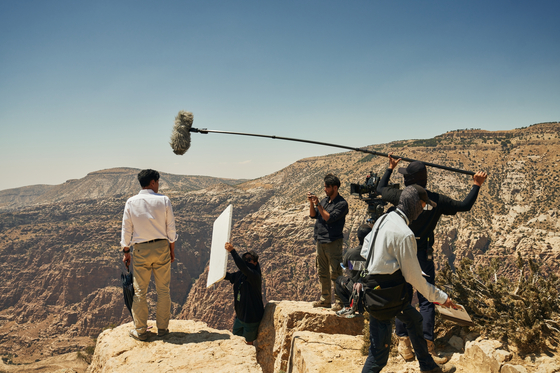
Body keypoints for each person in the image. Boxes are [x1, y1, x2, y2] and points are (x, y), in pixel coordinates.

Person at [376, 154, 487, 362]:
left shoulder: (401, 197)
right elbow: (464, 206)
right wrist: (476, 185)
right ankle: (427, 343)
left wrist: (390, 167)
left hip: (403, 249)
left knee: (404, 294)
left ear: (410, 181)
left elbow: (379, 190)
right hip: (423, 251)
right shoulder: (437, 199)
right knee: (427, 297)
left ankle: (403, 341)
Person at [361, 185, 456, 373]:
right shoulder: (404, 234)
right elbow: (415, 279)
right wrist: (442, 298)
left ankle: (428, 367)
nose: (423, 211)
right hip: (386, 297)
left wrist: (386, 262)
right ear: (414, 204)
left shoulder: (384, 219)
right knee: (378, 356)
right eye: (423, 205)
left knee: (414, 319)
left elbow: (365, 248)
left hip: (380, 290)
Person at [121, 169, 178, 341]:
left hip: (140, 250)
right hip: (161, 247)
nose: (158, 184)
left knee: (140, 292)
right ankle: (163, 330)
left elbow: (126, 230)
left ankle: (141, 331)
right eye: (158, 181)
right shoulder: (164, 200)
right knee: (163, 290)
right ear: (153, 182)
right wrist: (171, 249)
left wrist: (126, 252)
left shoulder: (131, 202)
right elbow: (171, 229)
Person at [307, 173, 349, 311]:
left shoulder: (342, 204)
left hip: (333, 242)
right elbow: (313, 215)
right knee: (322, 271)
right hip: (320, 240)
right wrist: (312, 204)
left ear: (335, 188)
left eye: (327, 187)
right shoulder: (325, 201)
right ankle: (325, 299)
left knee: (335, 272)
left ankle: (339, 301)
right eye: (325, 187)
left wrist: (318, 204)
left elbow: (329, 218)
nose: (325, 189)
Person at [225, 242, 265, 345]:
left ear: (255, 262)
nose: (246, 262)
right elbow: (230, 276)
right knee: (236, 342)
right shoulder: (241, 274)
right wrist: (215, 273)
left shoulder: (254, 275)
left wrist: (232, 251)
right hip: (240, 317)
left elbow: (243, 267)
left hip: (251, 319)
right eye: (245, 260)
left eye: (249, 259)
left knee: (248, 343)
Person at [334, 224, 372, 316]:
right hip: (370, 288)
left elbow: (345, 266)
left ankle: (347, 306)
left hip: (353, 288)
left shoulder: (351, 253)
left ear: (358, 237)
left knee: (339, 280)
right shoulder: (373, 253)